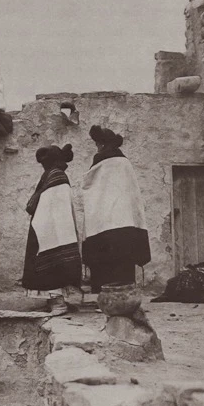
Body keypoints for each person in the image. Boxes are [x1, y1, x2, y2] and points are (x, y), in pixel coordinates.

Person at [82, 125, 151, 293]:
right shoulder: (125, 163)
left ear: (102, 144)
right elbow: (133, 195)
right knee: (123, 267)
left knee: (103, 267)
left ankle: (103, 298)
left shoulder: (100, 163)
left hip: (102, 227)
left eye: (97, 144)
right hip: (125, 224)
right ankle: (125, 298)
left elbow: (90, 189)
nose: (97, 148)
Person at [21, 144, 82, 315]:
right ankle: (54, 301)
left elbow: (51, 205)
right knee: (55, 263)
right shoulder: (55, 175)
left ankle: (58, 303)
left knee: (52, 263)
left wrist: (42, 227)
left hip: (51, 229)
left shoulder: (55, 177)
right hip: (54, 228)